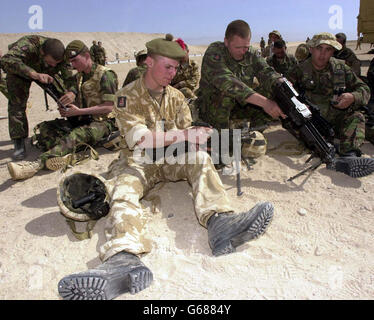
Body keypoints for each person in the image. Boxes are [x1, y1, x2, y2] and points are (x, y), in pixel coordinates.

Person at [57, 34, 275, 300]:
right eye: (167, 66)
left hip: (171, 157)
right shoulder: (126, 97)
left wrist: (202, 143)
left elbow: (185, 135)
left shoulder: (176, 97)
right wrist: (185, 136)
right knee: (124, 190)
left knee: (201, 160)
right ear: (148, 62)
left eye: (176, 68)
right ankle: (123, 260)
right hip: (139, 160)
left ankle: (221, 224)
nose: (173, 73)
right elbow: (141, 139)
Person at [7, 40, 119, 180]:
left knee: (76, 136)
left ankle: (34, 165)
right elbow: (72, 90)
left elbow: (110, 106)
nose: (73, 65)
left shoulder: (105, 75)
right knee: (46, 129)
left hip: (105, 122)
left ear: (87, 56)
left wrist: (78, 112)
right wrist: (67, 107)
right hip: (84, 119)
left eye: (76, 60)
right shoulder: (79, 76)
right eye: (71, 62)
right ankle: (71, 152)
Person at [195, 19, 286, 151]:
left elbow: (266, 72)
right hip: (213, 109)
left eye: (246, 47)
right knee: (224, 95)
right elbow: (227, 82)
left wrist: (282, 84)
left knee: (274, 91)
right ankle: (220, 142)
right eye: (238, 47)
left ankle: (251, 132)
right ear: (226, 42)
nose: (243, 51)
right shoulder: (215, 51)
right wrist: (265, 103)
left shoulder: (251, 53)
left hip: (239, 106)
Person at [288, 32, 371, 158]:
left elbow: (364, 88)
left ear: (333, 51)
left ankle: (349, 155)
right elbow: (284, 93)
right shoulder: (299, 70)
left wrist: (353, 97)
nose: (323, 54)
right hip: (310, 122)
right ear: (311, 49)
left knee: (357, 117)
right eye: (319, 49)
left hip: (337, 119)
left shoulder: (340, 68)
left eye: (328, 50)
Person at [0, 35, 76, 160]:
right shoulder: (29, 44)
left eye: (56, 64)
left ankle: (75, 122)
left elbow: (69, 78)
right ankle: (19, 141)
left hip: (45, 73)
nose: (53, 65)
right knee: (17, 104)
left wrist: (72, 92)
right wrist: (33, 74)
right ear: (42, 52)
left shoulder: (61, 57)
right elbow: (7, 60)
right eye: (51, 62)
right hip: (21, 70)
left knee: (64, 96)